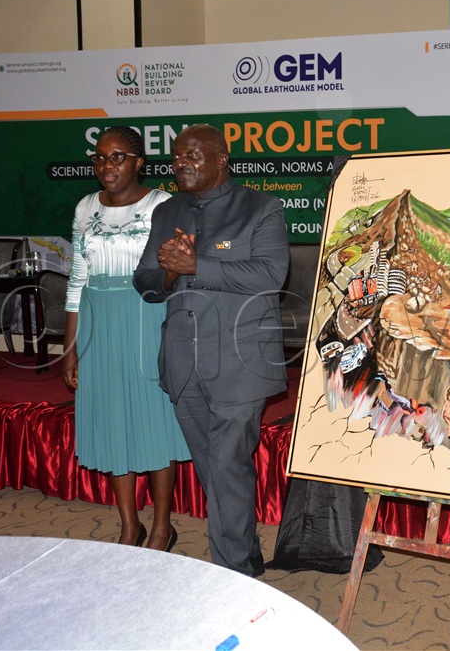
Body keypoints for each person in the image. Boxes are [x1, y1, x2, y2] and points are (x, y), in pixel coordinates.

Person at [133, 124, 289, 577]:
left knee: (227, 469)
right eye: (177, 157)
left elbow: (270, 274)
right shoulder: (167, 212)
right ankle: (247, 557)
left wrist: (197, 264)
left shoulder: (261, 207)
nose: (181, 163)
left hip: (240, 364)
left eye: (193, 156)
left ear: (222, 159)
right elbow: (144, 284)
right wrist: (166, 273)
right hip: (183, 364)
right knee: (215, 471)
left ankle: (231, 577)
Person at [62, 125, 190, 551]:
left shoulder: (162, 204)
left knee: (154, 421)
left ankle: (160, 527)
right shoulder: (84, 207)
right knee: (114, 418)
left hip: (146, 316)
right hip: (99, 323)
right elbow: (77, 279)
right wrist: (71, 348)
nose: (106, 166)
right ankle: (129, 525)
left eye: (117, 157)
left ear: (138, 162)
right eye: (99, 157)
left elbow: (175, 270)